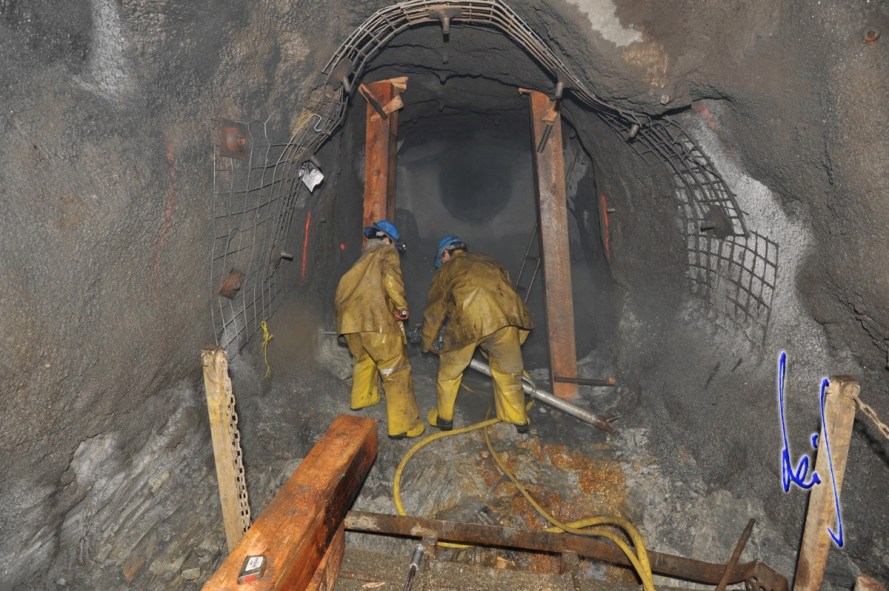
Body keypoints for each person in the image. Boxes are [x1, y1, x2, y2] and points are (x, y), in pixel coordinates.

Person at [421, 235, 534, 434]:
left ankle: (444, 419)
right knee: (508, 374)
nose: (442, 263)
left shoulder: (446, 270)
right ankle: (518, 421)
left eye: (441, 259)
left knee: (449, 375)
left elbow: (434, 312)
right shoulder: (489, 261)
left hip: (468, 323)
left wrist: (427, 342)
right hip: (506, 321)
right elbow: (507, 293)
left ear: (445, 253)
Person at [335, 220, 425, 439]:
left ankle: (362, 399)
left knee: (364, 360)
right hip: (375, 321)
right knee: (396, 369)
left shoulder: (361, 261)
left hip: (350, 324)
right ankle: (403, 426)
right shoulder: (386, 253)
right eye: (392, 243)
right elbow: (392, 281)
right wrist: (402, 311)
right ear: (386, 239)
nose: (394, 247)